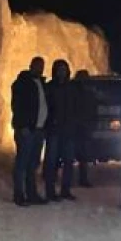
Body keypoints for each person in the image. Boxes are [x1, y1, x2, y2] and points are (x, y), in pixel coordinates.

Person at [10, 56, 48, 207]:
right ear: (30, 65)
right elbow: (17, 106)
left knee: (33, 164)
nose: (39, 68)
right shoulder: (22, 83)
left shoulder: (42, 83)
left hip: (39, 130)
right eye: (37, 65)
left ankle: (32, 193)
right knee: (22, 163)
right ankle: (19, 194)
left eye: (41, 66)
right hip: (27, 130)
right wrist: (22, 126)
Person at [43, 59, 78, 202]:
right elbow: (45, 107)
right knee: (52, 162)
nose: (62, 72)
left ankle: (65, 190)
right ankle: (50, 191)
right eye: (59, 69)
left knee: (69, 162)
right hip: (54, 130)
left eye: (64, 69)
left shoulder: (70, 88)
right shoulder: (50, 87)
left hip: (68, 130)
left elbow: (75, 107)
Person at [73, 69, 96, 188]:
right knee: (70, 154)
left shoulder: (90, 93)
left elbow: (93, 109)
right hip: (74, 127)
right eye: (82, 77)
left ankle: (83, 178)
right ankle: (72, 180)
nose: (84, 80)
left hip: (85, 126)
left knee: (83, 155)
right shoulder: (72, 91)